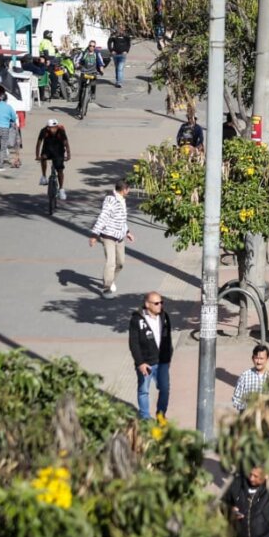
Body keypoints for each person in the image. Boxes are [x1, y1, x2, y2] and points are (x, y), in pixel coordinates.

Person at [129, 292, 172, 421]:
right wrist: (140, 362)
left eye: (161, 302)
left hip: (162, 361)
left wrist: (168, 356)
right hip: (146, 363)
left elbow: (167, 338)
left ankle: (161, 415)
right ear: (147, 305)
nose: (160, 305)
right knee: (144, 390)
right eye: (156, 303)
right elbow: (133, 343)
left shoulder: (164, 317)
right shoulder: (137, 319)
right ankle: (145, 418)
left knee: (164, 389)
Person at [89, 180, 135, 298]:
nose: (129, 191)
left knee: (120, 263)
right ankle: (106, 287)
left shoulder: (122, 200)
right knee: (111, 262)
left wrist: (127, 232)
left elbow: (121, 219)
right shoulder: (111, 200)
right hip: (108, 236)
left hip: (119, 236)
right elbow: (103, 217)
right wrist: (95, 235)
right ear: (124, 190)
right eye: (128, 189)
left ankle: (111, 279)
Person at [35, 118, 71, 199]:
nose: (54, 129)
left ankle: (61, 189)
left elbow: (66, 143)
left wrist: (68, 155)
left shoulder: (61, 131)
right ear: (48, 127)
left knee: (60, 169)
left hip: (59, 151)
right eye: (52, 128)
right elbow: (39, 143)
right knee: (43, 157)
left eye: (55, 127)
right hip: (47, 150)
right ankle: (44, 176)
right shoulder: (43, 131)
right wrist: (37, 156)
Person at [232, 344, 269, 411]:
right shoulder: (245, 376)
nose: (258, 362)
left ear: (267, 359)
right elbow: (236, 399)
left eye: (261, 359)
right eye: (256, 358)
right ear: (252, 358)